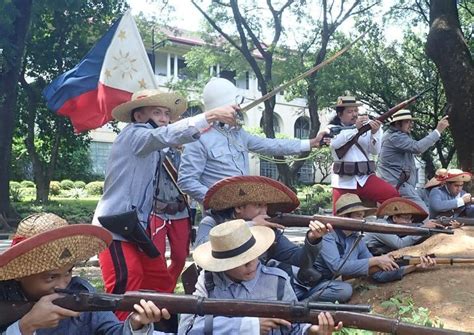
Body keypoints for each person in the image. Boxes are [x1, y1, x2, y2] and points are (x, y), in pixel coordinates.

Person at [92, 89, 238, 320]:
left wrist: (211, 124)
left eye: (166, 113)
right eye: (157, 112)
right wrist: (209, 116)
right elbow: (164, 136)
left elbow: (172, 137)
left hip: (136, 228)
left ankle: (156, 328)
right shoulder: (135, 135)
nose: (164, 117)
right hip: (115, 227)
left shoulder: (155, 144)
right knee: (126, 288)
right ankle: (121, 329)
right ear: (139, 116)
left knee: (160, 283)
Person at [0, 213, 169, 335]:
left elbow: (111, 331)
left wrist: (136, 324)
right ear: (19, 274)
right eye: (51, 277)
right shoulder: (4, 298)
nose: (62, 285)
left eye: (68, 272)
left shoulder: (80, 292)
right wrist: (25, 327)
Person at [178, 219, 343, 334]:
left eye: (253, 255)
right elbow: (187, 329)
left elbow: (293, 327)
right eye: (240, 261)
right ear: (223, 265)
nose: (250, 264)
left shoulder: (278, 281)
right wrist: (249, 326)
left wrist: (313, 331)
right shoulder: (208, 283)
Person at [177, 77, 326, 203]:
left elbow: (271, 145)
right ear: (220, 108)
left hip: (244, 208)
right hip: (219, 216)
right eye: (234, 107)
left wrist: (311, 143)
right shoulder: (198, 138)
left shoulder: (239, 134)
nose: (239, 109)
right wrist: (219, 201)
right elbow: (187, 181)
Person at [195, 175, 331, 288]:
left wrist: (312, 239)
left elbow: (300, 260)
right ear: (238, 207)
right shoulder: (211, 222)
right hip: (220, 288)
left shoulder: (268, 229)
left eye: (266, 205)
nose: (265, 211)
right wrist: (251, 225)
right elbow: (202, 249)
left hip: (258, 290)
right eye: (258, 205)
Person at [305, 194, 436, 303]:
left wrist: (414, 266)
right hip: (307, 283)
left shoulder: (356, 238)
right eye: (358, 216)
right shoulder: (328, 234)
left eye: (362, 215)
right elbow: (337, 266)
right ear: (344, 217)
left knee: (344, 289)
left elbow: (377, 274)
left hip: (328, 284)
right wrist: (375, 261)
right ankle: (303, 303)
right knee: (345, 290)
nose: (362, 220)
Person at [326, 96, 399, 214]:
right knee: (340, 217)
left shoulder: (367, 127)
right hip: (343, 181)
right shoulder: (331, 129)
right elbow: (335, 143)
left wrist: (374, 133)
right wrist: (356, 129)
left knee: (392, 196)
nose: (354, 114)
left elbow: (375, 151)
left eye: (355, 111)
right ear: (340, 114)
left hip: (365, 178)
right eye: (350, 111)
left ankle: (386, 227)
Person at [377, 109, 449, 212]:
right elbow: (417, 148)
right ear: (397, 123)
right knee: (423, 214)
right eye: (407, 121)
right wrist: (438, 131)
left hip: (398, 185)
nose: (411, 124)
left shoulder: (394, 135)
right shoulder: (395, 137)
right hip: (399, 186)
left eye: (411, 121)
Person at [364, 197, 449, 256]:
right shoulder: (382, 226)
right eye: (407, 218)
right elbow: (400, 244)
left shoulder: (393, 228)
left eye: (411, 219)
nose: (409, 222)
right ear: (394, 218)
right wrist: (423, 229)